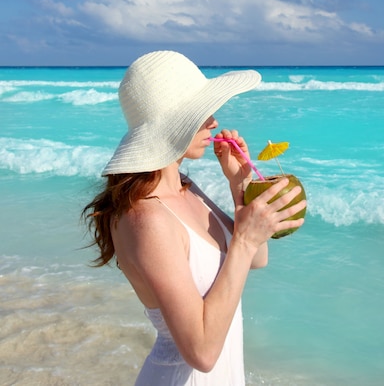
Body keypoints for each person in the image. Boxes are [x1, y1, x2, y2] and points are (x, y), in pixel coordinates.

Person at [83, 50, 306, 385]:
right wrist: (244, 241)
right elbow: (201, 353)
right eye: (200, 112)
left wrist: (240, 185)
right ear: (171, 122)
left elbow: (255, 258)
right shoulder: (148, 217)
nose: (213, 121)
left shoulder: (186, 189)